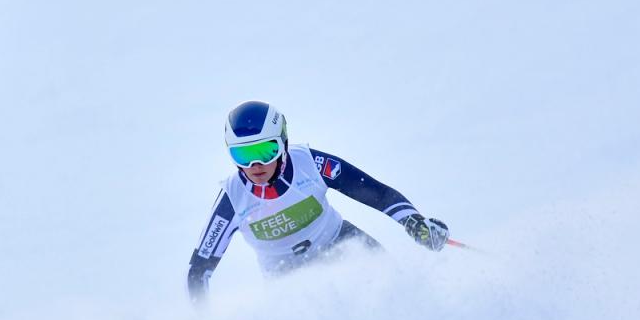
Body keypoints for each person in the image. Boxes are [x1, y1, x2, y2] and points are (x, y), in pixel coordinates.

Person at [187, 100, 450, 300]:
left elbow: (377, 193)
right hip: (284, 275)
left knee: (398, 290)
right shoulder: (232, 199)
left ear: (283, 143)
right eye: (243, 155)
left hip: (340, 240)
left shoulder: (311, 164)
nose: (256, 165)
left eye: (266, 151)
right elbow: (199, 271)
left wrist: (414, 222)